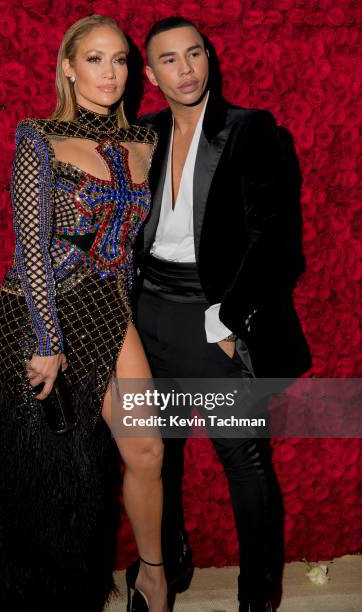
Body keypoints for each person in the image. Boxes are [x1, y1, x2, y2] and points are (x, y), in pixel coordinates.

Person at [0, 15, 168, 612]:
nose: (109, 73)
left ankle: (154, 576)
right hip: (40, 311)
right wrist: (46, 340)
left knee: (146, 449)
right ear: (67, 66)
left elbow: (134, 245)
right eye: (94, 59)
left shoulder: (145, 142)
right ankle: (2, 592)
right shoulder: (38, 136)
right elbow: (29, 246)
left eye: (118, 60)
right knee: (39, 470)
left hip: (109, 308)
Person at [135, 17, 312, 612]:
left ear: (209, 57)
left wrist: (228, 319)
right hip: (146, 314)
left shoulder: (248, 130)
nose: (185, 70)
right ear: (150, 74)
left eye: (194, 54)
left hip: (209, 316)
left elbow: (277, 238)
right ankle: (168, 565)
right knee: (158, 451)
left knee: (242, 455)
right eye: (169, 60)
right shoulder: (145, 134)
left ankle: (257, 597)